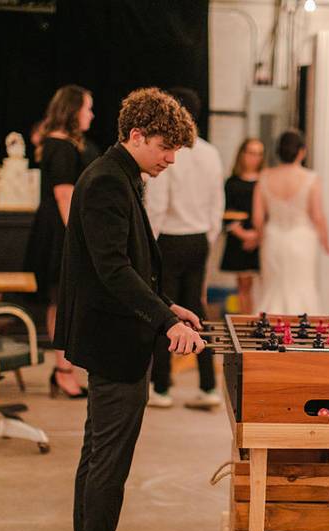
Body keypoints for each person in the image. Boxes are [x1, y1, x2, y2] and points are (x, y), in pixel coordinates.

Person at [54, 87, 204, 531]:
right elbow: (112, 270)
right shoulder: (105, 184)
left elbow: (127, 262)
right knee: (108, 459)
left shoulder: (118, 176)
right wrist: (167, 323)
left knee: (98, 454)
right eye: (165, 147)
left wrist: (168, 304)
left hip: (116, 335)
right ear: (136, 135)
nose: (170, 159)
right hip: (114, 341)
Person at [144, 88, 225, 411]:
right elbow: (217, 204)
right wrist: (208, 237)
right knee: (197, 310)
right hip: (199, 238)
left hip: (169, 238)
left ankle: (161, 387)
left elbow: (158, 202)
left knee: (164, 311)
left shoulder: (168, 150)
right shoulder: (210, 153)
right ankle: (208, 386)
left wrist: (149, 241)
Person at [23, 84, 95, 398]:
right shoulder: (61, 146)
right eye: (87, 108)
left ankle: (63, 369)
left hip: (57, 226)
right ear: (72, 110)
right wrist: (77, 239)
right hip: (59, 230)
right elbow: (64, 194)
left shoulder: (61, 143)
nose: (91, 114)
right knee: (61, 301)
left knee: (63, 301)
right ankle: (63, 370)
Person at [253, 130, 329, 315]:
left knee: (273, 289)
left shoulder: (265, 176)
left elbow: (258, 218)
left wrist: (259, 238)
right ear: (301, 152)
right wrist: (327, 244)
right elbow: (318, 216)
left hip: (273, 239)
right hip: (302, 239)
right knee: (302, 288)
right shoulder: (310, 179)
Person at [220, 138, 265, 314]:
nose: (255, 158)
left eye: (259, 154)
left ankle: (257, 320)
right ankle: (244, 321)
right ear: (242, 154)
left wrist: (258, 236)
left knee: (260, 285)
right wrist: (244, 235)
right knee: (243, 284)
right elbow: (226, 212)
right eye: (251, 153)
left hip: (262, 239)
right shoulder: (232, 182)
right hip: (239, 238)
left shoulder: (265, 181)